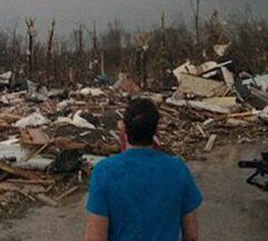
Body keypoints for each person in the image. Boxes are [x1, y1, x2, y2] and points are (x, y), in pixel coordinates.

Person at [84, 98, 202, 241]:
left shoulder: (105, 171)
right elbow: (192, 234)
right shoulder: (178, 169)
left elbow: (95, 237)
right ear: (155, 130)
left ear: (124, 129)